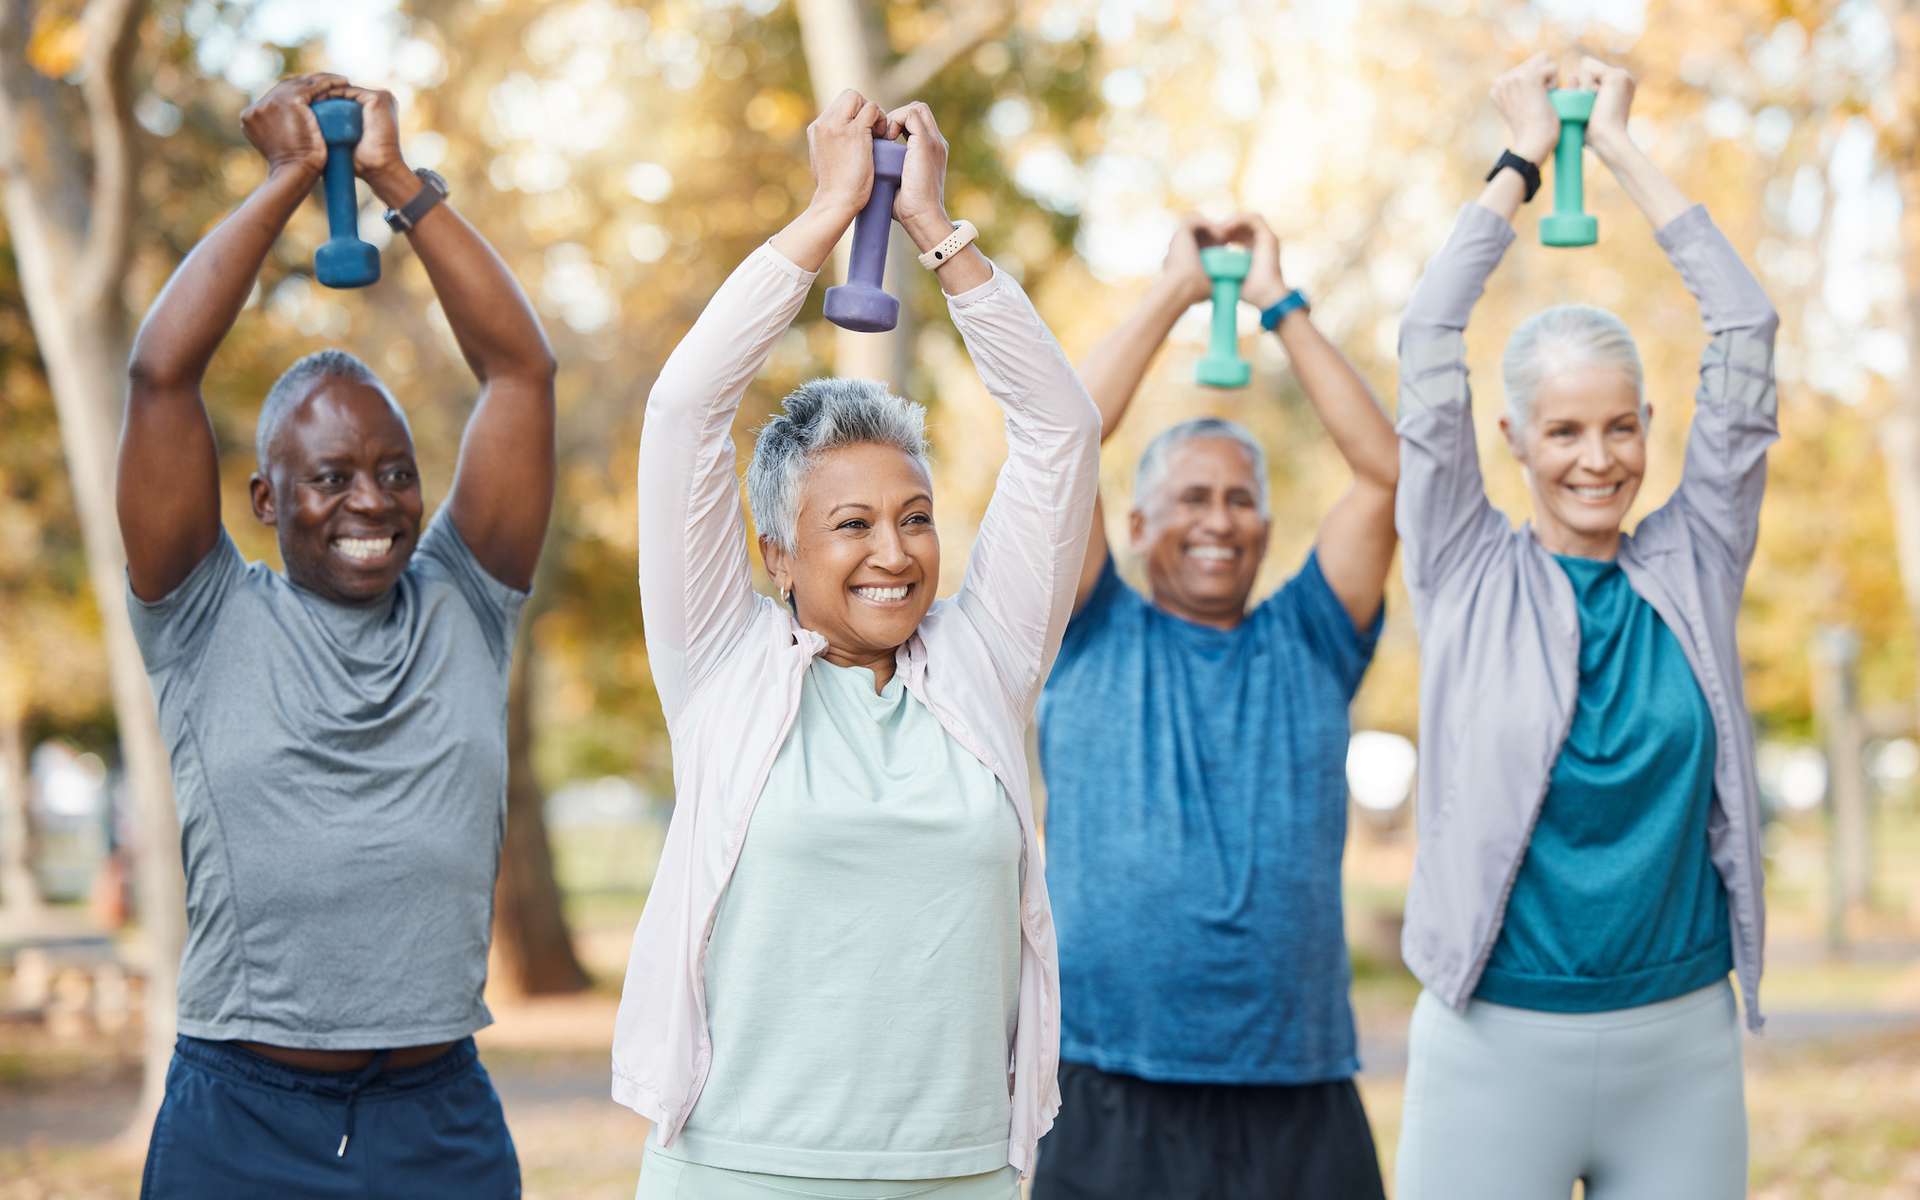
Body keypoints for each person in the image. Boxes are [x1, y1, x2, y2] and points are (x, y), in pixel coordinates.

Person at [610, 91, 1100, 1199]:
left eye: (916, 515)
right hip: (736, 1167)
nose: (896, 551)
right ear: (778, 556)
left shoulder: (984, 667)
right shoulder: (720, 665)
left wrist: (937, 229)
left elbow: (1060, 431)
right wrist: (831, 211)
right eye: (852, 524)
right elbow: (687, 412)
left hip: (960, 1171)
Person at [121, 74, 555, 1197]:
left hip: (437, 1121)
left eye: (397, 473)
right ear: (266, 501)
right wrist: (289, 183)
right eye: (330, 478)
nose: (374, 501)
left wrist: (397, 183)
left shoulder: (465, 596)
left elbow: (521, 370)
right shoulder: (203, 614)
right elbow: (161, 373)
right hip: (242, 1124)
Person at [1391, 55, 1777, 1199]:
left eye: (1618, 428)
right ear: (1511, 436)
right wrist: (1521, 162)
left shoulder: (1695, 560)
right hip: (1493, 1046)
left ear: (1650, 426)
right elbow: (1425, 338)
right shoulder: (1463, 566)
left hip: (1683, 1048)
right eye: (1563, 432)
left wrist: (1612, 148)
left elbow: (1746, 327)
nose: (1596, 459)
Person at [1028, 216, 1398, 1199]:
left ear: (1269, 527)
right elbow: (1058, 440)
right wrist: (1173, 294)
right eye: (1191, 499)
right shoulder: (1090, 627)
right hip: (1109, 1085)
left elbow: (1385, 473)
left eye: (1240, 501)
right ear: (1138, 523)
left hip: (1298, 1088)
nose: (1218, 521)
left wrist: (1281, 305)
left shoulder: (1311, 638)